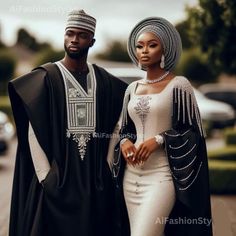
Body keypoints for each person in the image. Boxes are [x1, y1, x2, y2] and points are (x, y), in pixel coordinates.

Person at [8, 9, 128, 236]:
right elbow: (33, 130)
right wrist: (46, 177)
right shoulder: (46, 77)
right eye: (69, 33)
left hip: (95, 184)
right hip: (56, 183)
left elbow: (117, 124)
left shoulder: (104, 81)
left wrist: (107, 165)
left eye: (81, 35)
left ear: (92, 41)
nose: (74, 40)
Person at [112, 17, 213, 236]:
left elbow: (193, 133)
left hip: (161, 176)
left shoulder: (180, 85)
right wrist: (125, 141)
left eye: (152, 44)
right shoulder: (131, 89)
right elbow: (124, 128)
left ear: (165, 48)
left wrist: (158, 140)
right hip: (130, 177)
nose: (144, 51)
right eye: (139, 46)